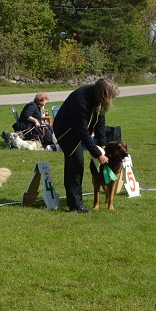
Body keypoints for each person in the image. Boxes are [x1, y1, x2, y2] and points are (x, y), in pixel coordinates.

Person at [52, 78, 119, 213]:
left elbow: (100, 121)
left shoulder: (96, 98)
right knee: (76, 163)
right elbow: (82, 131)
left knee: (78, 162)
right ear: (103, 94)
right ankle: (75, 205)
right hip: (66, 132)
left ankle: (76, 201)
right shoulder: (80, 100)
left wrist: (102, 144)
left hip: (79, 130)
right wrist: (97, 154)